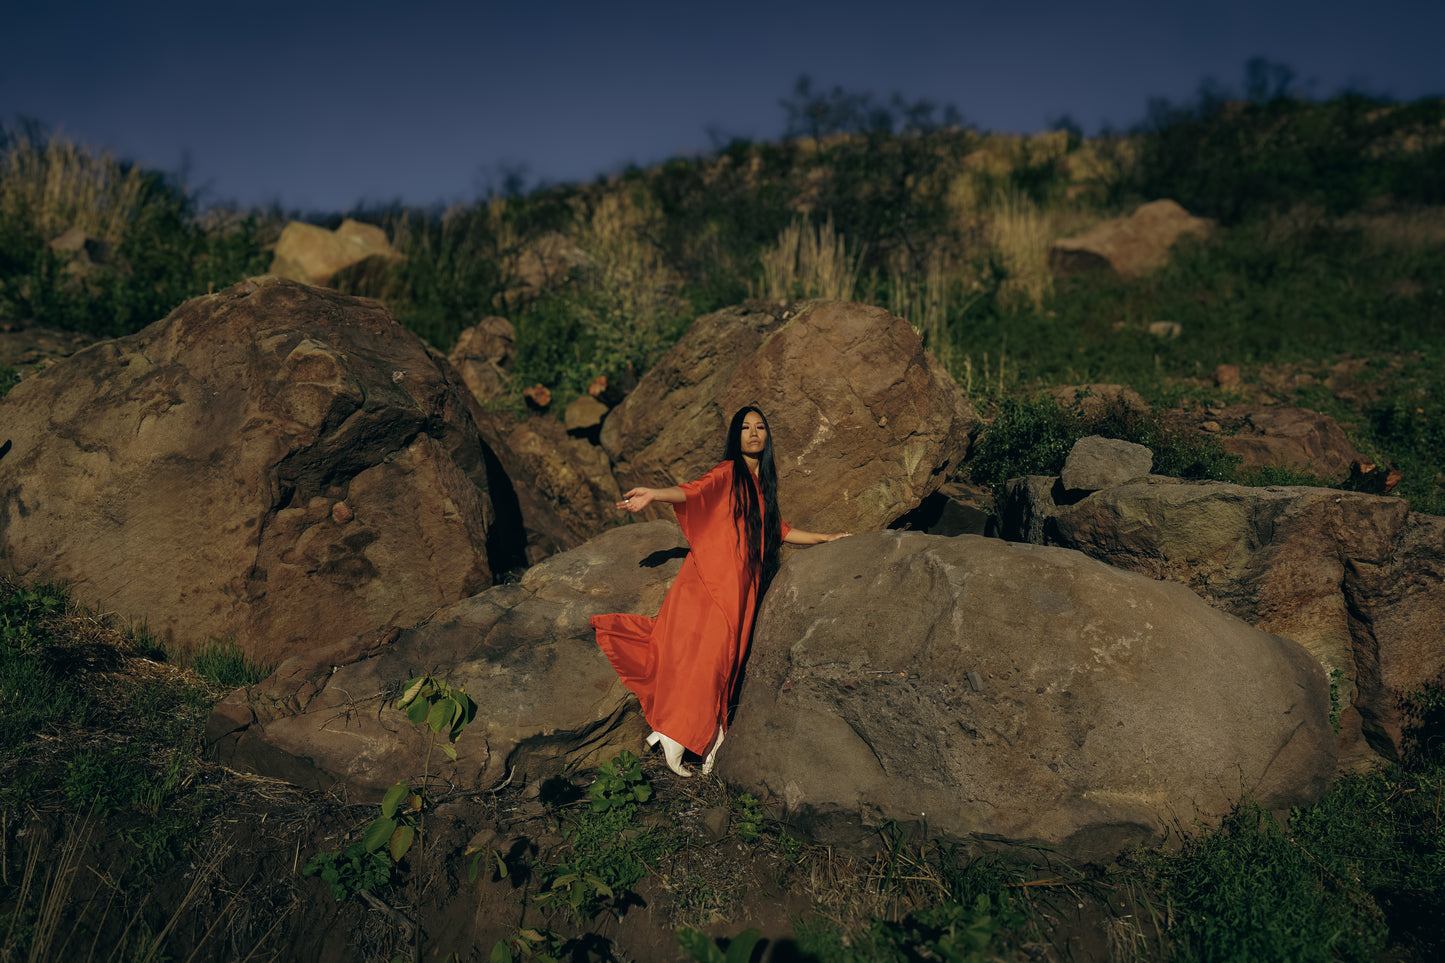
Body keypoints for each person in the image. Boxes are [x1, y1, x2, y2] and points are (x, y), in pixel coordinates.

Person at [590, 406, 850, 778]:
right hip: (713, 580)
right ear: (735, 435)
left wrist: (825, 538)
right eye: (745, 427)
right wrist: (654, 494)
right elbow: (693, 491)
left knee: (727, 659)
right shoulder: (728, 471)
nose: (753, 433)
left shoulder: (762, 484)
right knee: (709, 658)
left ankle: (705, 732)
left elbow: (777, 530)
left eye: (760, 427)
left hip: (742, 586)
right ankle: (679, 732)